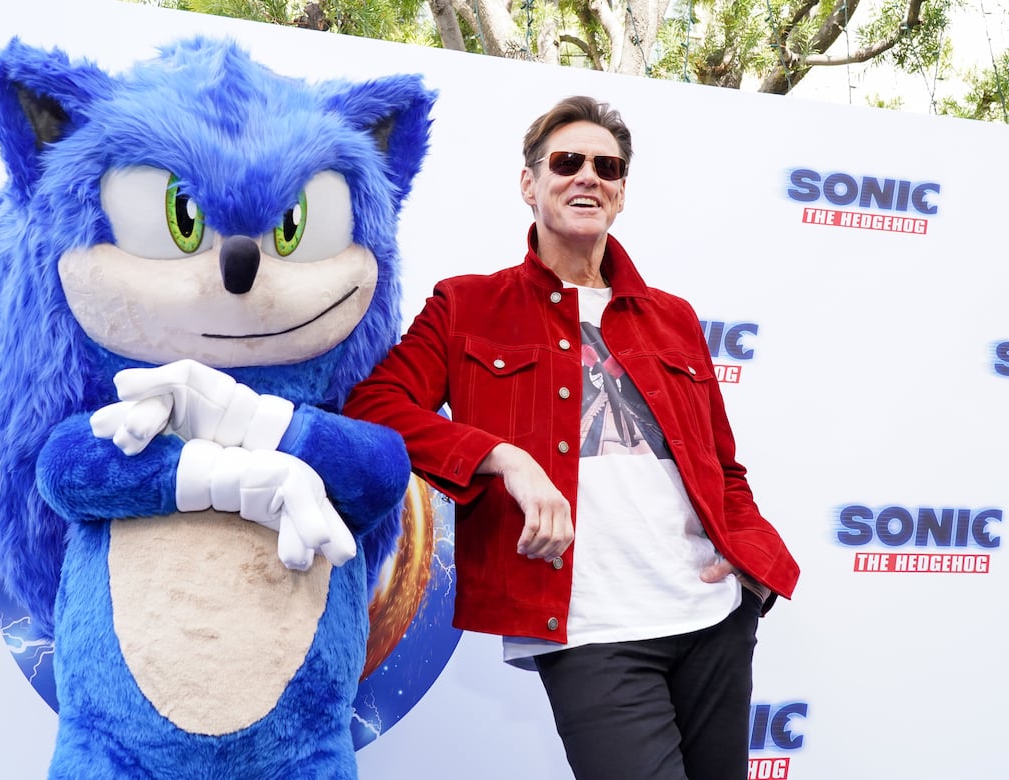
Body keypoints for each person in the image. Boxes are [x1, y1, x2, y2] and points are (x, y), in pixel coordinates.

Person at [342, 96, 800, 780]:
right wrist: (501, 458)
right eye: (566, 161)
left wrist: (748, 567)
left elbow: (723, 467)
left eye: (606, 166)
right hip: (589, 631)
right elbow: (373, 406)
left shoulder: (672, 318)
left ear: (619, 192)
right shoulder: (465, 305)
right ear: (530, 183)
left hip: (712, 620)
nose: (588, 175)